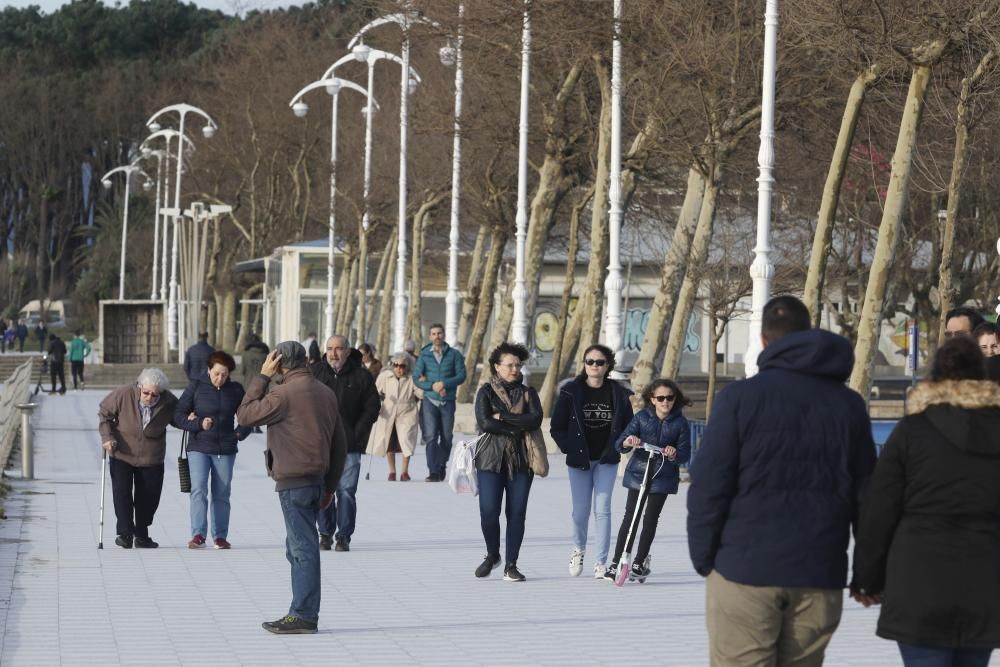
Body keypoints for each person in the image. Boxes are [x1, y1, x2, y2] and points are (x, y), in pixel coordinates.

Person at [686, 295, 876, 666]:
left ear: (764, 341)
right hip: (818, 571)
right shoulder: (848, 405)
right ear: (808, 334)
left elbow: (709, 485)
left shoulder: (739, 399)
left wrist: (705, 557)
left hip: (744, 569)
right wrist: (868, 572)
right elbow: (868, 496)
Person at [852, 337, 1000, 667]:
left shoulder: (912, 431)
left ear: (933, 377)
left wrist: (867, 578)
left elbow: (880, 508)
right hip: (985, 580)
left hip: (918, 581)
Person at [236, 342, 347, 635]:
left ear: (279, 363)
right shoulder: (326, 393)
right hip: (317, 480)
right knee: (298, 546)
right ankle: (302, 606)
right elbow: (340, 445)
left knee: (302, 549)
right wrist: (331, 487)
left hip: (294, 481)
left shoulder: (282, 393)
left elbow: (245, 416)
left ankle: (303, 615)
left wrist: (261, 376)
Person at [550, 344, 634, 579]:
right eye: (590, 361)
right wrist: (570, 448)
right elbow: (557, 427)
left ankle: (601, 562)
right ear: (584, 364)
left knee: (603, 509)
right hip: (579, 460)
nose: (594, 366)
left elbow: (630, 425)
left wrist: (623, 443)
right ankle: (579, 549)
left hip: (607, 459)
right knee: (580, 511)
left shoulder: (618, 393)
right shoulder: (570, 392)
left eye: (600, 362)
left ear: (608, 366)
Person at [604, 378, 690, 583]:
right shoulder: (642, 417)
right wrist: (629, 441)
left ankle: (639, 563)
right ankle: (616, 562)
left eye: (669, 398)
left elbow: (685, 454)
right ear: (652, 399)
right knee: (630, 517)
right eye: (660, 398)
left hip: (663, 475)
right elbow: (620, 444)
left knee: (650, 519)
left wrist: (673, 453)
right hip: (638, 474)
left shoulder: (680, 422)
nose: (665, 402)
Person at [473, 342, 543, 582]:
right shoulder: (485, 392)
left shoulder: (528, 393)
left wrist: (502, 416)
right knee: (489, 512)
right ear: (496, 366)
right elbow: (485, 423)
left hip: (521, 460)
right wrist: (516, 424)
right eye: (509, 365)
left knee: (517, 513)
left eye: (518, 365)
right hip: (490, 459)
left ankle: (511, 564)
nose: (514, 369)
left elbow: (534, 420)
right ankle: (493, 555)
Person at [174, 351, 251, 550]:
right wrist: (199, 423)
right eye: (216, 373)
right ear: (209, 370)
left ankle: (220, 537)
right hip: (199, 446)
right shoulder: (196, 386)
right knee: (198, 489)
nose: (220, 378)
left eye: (224, 375)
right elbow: (178, 415)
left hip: (225, 448)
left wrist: (238, 434)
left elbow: (249, 416)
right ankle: (198, 535)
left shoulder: (235, 390)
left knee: (222, 493)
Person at [312, 335, 379, 552]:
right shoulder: (315, 374)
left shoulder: (362, 376)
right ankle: (325, 533)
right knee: (322, 489)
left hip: (349, 445)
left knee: (346, 491)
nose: (333, 353)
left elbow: (372, 407)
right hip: (320, 444)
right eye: (330, 348)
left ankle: (344, 536)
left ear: (347, 351)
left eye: (339, 349)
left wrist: (356, 434)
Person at [98, 368, 179, 549]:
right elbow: (104, 412)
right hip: (122, 452)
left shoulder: (169, 401)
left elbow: (178, 418)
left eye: (154, 395)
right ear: (139, 386)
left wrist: (190, 419)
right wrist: (107, 437)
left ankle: (142, 535)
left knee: (148, 497)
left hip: (152, 456)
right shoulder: (124, 394)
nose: (149, 397)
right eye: (146, 392)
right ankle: (125, 534)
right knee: (122, 493)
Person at [413, 323, 467, 482]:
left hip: (448, 401)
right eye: (433, 333)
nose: (437, 336)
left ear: (443, 335)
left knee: (447, 436)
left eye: (439, 333)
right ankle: (433, 471)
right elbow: (416, 378)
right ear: (430, 336)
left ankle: (442, 464)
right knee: (430, 436)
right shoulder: (424, 355)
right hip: (430, 400)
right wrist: (432, 386)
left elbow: (461, 376)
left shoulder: (454, 355)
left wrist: (444, 383)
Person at [367, 352, 423, 481]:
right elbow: (375, 391)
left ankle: (404, 472)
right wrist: (376, 400)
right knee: (389, 441)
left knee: (406, 441)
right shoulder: (385, 376)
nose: (399, 368)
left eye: (402, 366)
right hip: (388, 411)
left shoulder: (412, 378)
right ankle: (392, 471)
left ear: (408, 367)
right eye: (396, 365)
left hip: (406, 412)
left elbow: (421, 394)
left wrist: (423, 382)